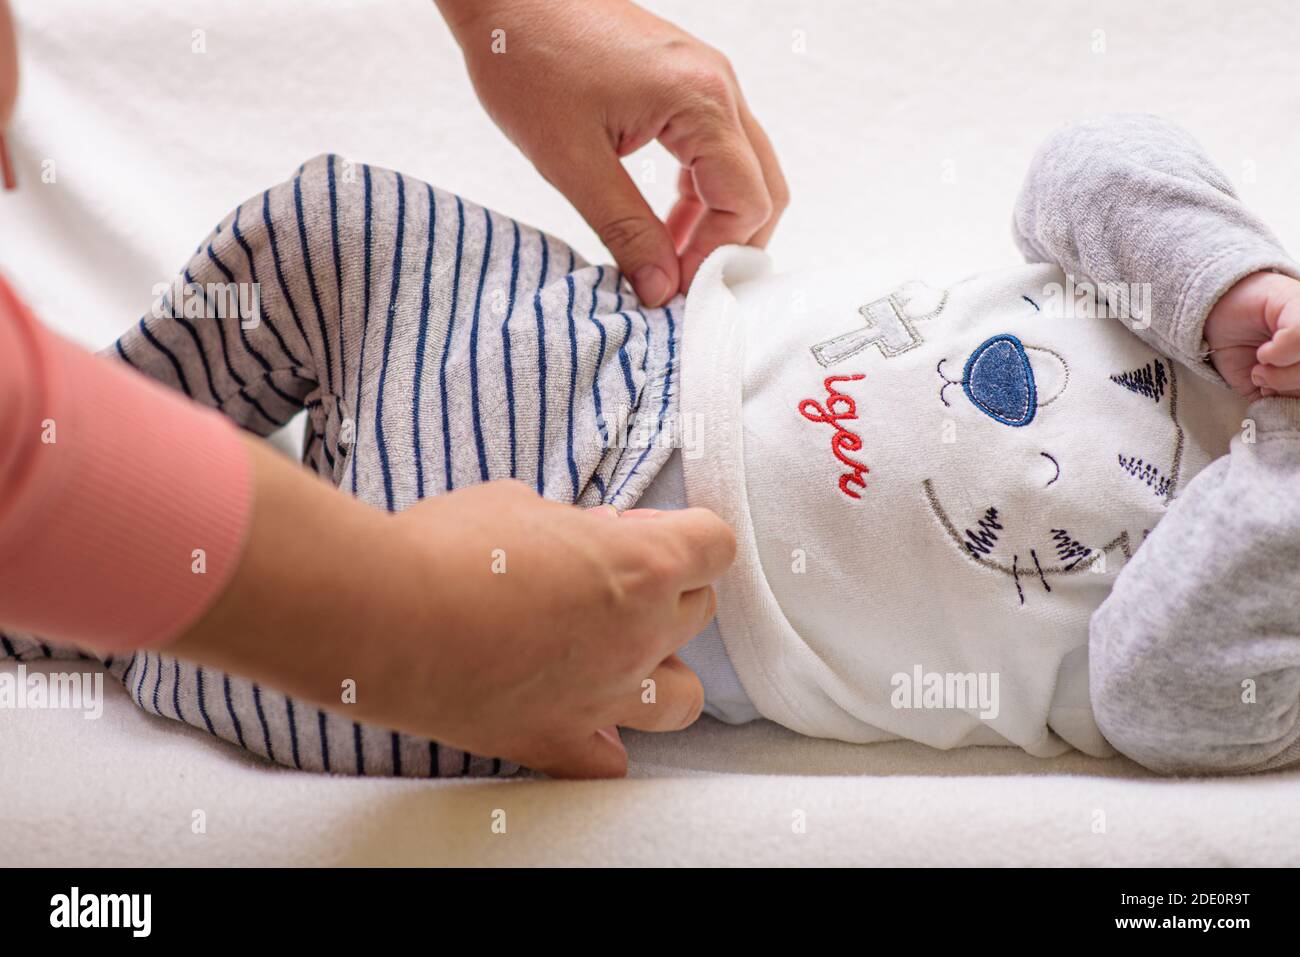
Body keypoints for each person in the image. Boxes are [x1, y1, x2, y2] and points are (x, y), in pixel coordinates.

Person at [0, 0, 798, 778]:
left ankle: (149, 482)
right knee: (299, 679)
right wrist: (428, 625)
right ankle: (101, 597)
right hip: (551, 576)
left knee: (329, 222)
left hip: (617, 330)